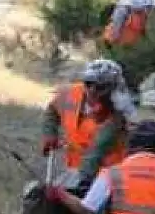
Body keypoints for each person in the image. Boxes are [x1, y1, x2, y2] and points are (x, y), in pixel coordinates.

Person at [41, 59, 139, 190]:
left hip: (109, 177)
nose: (92, 90)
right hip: (76, 167)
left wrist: (77, 186)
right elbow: (52, 110)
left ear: (112, 88)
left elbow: (96, 151)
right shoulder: (71, 94)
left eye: (100, 87)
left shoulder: (118, 111)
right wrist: (50, 134)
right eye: (88, 83)